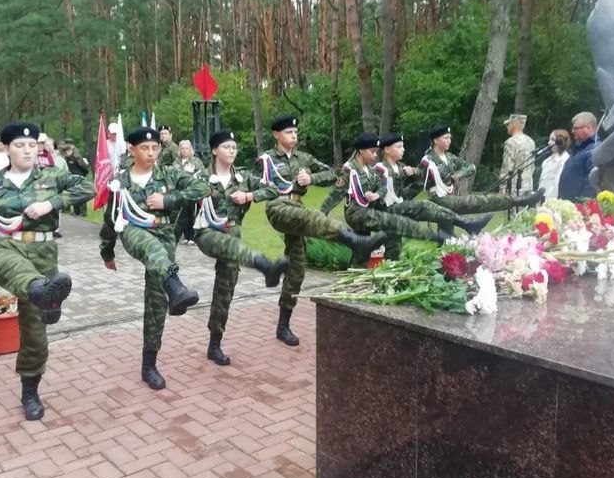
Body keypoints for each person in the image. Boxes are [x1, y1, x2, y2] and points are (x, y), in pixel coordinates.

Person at [0, 121, 95, 421]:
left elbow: (88, 187)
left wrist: (50, 204)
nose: (28, 150)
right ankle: (43, 292)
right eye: (20, 145)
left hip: (42, 255)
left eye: (32, 145)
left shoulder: (52, 175)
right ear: (6, 148)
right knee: (12, 266)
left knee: (35, 336)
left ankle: (30, 388)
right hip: (2, 245)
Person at [258, 115, 387, 346]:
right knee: (312, 216)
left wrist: (311, 177)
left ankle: (283, 326)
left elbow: (336, 174)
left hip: (297, 205)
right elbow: (251, 183)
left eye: (296, 133)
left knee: (297, 268)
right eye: (289, 132)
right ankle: (351, 239)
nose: (294, 136)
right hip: (278, 206)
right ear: (276, 135)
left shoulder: (304, 158)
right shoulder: (267, 159)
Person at [99, 126, 210, 390]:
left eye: (155, 148)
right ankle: (176, 284)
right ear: (131, 149)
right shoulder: (120, 181)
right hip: (132, 230)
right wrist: (107, 251)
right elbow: (109, 219)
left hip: (163, 233)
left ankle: (149, 364)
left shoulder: (168, 173)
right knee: (152, 250)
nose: (151, 153)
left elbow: (203, 188)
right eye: (145, 148)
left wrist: (169, 199)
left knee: (156, 301)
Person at [193, 129, 289, 365]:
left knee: (225, 289)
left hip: (233, 235)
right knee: (227, 246)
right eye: (227, 147)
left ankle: (214, 344)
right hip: (207, 232)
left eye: (234, 147)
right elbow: (182, 208)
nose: (232, 151)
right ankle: (264, 265)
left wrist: (248, 196)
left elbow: (275, 188)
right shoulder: (200, 177)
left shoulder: (243, 177)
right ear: (215, 150)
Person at [320, 132, 454, 267]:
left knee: (363, 246)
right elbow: (337, 193)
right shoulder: (350, 168)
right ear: (360, 150)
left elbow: (382, 187)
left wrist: (377, 194)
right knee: (389, 224)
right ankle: (383, 252)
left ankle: (358, 270)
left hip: (368, 210)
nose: (374, 155)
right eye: (372, 152)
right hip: (356, 213)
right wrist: (322, 212)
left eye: (375, 152)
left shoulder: (369, 169)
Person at [366, 132, 491, 260]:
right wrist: (373, 195)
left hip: (400, 209)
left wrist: (414, 172)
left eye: (403, 146)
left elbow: (420, 175)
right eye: (399, 147)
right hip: (387, 211)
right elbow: (370, 190)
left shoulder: (401, 167)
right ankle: (468, 224)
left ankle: (460, 234)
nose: (403, 149)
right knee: (424, 206)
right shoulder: (379, 169)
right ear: (386, 149)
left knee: (394, 249)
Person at [421, 124, 542, 214]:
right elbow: (418, 176)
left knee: (452, 222)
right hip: (439, 199)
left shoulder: (450, 157)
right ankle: (520, 200)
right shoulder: (428, 159)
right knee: (477, 201)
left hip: (451, 197)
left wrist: (459, 174)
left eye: (450, 138)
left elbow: (471, 167)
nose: (449, 141)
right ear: (436, 140)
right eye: (446, 138)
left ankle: (521, 199)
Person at [558, 112, 600, 201]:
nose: (572, 131)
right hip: (568, 204)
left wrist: (582, 205)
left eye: (575, 128)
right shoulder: (581, 148)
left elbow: (592, 182)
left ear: (588, 128)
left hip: (579, 208)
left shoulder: (594, 149)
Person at [499, 114, 537, 197]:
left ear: (514, 124)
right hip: (528, 184)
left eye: (509, 124)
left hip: (514, 185)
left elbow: (507, 167)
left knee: (513, 209)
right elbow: (532, 166)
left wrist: (502, 187)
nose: (507, 127)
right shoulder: (531, 142)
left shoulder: (510, 142)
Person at [175, 140, 203, 244]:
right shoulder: (176, 163)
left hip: (193, 191)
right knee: (182, 214)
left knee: (193, 213)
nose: (185, 150)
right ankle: (186, 236)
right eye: (182, 148)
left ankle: (193, 236)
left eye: (187, 148)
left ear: (190, 149)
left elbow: (202, 174)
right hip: (180, 191)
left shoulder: (196, 161)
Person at [59, 139, 90, 215]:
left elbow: (84, 168)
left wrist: (82, 175)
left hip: (79, 177)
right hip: (71, 177)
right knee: (73, 194)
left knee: (81, 195)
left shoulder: (77, 156)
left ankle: (82, 212)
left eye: (68, 149)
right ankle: (76, 211)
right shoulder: (66, 156)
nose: (66, 151)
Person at [538, 129, 571, 200]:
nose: (549, 142)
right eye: (549, 139)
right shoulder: (546, 161)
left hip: (552, 200)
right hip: (541, 198)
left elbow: (556, 185)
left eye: (552, 140)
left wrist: (548, 200)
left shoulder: (565, 160)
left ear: (561, 142)